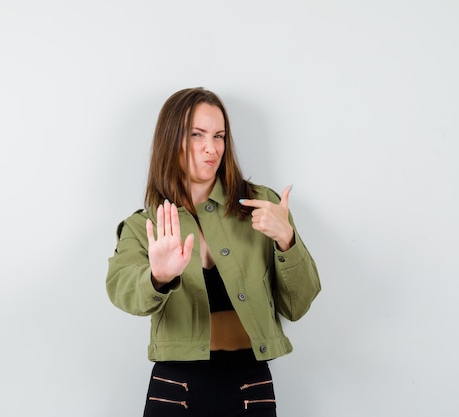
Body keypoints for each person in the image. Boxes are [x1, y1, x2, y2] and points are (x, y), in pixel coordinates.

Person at [106, 87, 321, 417]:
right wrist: (158, 278)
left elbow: (297, 305)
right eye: (197, 134)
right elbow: (123, 292)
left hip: (250, 383)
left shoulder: (262, 207)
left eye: (219, 136)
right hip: (176, 387)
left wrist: (286, 240)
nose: (212, 148)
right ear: (171, 139)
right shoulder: (145, 225)